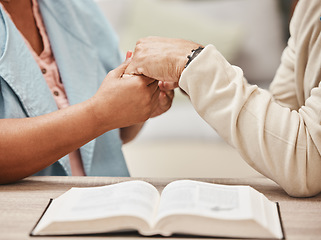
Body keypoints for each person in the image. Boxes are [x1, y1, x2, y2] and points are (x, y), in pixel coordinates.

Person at [125, 0, 321, 197]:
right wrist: (197, 79)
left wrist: (192, 63)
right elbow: (281, 124)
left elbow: (308, 164)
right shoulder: (310, 7)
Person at [0, 0, 174, 184]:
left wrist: (141, 103)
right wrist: (100, 114)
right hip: (30, 210)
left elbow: (117, 134)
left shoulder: (78, 7)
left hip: (107, 201)